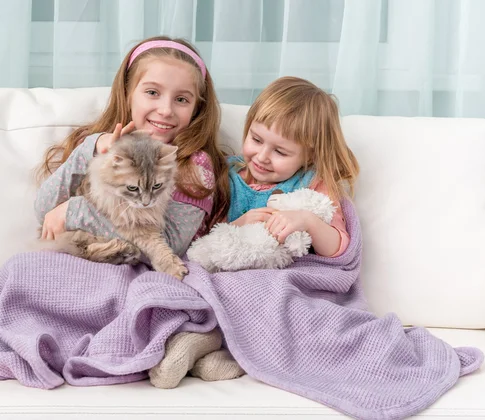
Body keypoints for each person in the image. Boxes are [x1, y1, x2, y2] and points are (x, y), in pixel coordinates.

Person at [33, 35, 232, 388]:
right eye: (152, 92)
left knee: (148, 294)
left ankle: (189, 344)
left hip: (148, 273)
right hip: (89, 265)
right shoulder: (101, 144)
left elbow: (170, 242)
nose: (166, 110)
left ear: (196, 108)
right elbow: (45, 210)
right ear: (128, 92)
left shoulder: (191, 165)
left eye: (182, 99)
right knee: (23, 270)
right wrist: (90, 149)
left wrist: (77, 211)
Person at [153, 76, 360, 387]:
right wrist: (237, 225)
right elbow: (202, 240)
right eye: (257, 139)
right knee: (190, 287)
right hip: (227, 277)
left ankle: (225, 352)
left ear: (309, 155)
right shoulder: (226, 174)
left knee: (278, 298)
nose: (262, 156)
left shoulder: (314, 185)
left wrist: (307, 221)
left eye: (280, 151)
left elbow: (339, 249)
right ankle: (202, 340)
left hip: (280, 280)